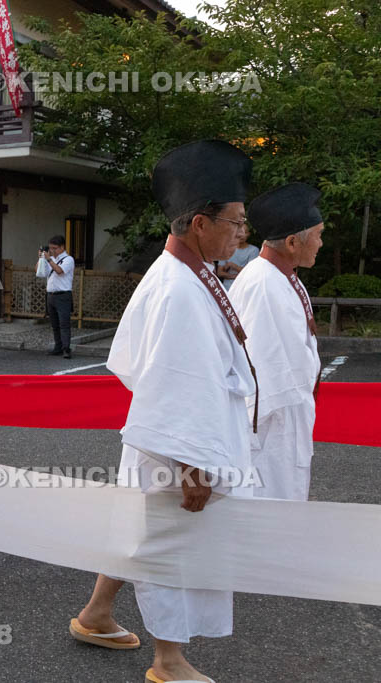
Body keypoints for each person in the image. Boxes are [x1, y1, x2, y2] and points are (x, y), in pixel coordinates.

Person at [69, 140, 256, 683]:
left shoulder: (189, 272)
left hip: (176, 440)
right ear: (200, 223)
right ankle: (168, 660)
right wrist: (191, 463)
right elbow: (172, 382)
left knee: (143, 536)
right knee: (167, 547)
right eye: (236, 222)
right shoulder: (178, 287)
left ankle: (96, 613)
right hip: (175, 449)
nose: (242, 233)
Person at [230, 183, 324, 501]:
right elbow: (263, 379)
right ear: (292, 242)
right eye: (318, 235)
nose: (321, 243)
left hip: (287, 425)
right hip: (270, 433)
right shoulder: (264, 283)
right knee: (270, 515)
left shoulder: (283, 276)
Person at [36, 235, 75, 359]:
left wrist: (48, 260)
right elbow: (39, 272)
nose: (52, 250)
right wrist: (41, 258)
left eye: (55, 248)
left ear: (62, 247)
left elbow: (59, 270)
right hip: (51, 295)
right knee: (54, 324)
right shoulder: (50, 259)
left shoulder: (68, 259)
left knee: (64, 324)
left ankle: (66, 349)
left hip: (63, 295)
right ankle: (58, 347)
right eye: (51, 248)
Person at [215, 221, 259, 290]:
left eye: (245, 232)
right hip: (227, 288)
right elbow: (219, 272)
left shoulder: (253, 250)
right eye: (240, 231)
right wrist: (236, 276)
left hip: (244, 288)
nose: (242, 234)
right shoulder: (227, 248)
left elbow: (251, 273)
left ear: (249, 234)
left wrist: (233, 266)